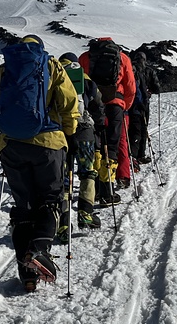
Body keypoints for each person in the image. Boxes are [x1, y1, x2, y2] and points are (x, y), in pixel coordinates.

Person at [0, 35, 78, 292]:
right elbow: (69, 104)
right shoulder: (51, 66)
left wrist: (13, 129)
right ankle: (39, 250)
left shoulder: (6, 69)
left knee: (23, 208)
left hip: (11, 147)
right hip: (49, 143)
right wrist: (67, 133)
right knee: (50, 200)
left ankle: (28, 276)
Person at [78, 38, 135, 207]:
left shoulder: (85, 57)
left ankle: (93, 189)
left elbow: (79, 84)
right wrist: (125, 105)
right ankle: (108, 191)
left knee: (95, 146)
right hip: (115, 105)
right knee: (111, 146)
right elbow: (130, 86)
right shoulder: (122, 57)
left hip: (93, 106)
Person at [57, 52, 105, 241]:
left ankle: (63, 223)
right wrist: (100, 126)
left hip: (62, 133)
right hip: (85, 130)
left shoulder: (55, 75)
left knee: (63, 177)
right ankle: (86, 213)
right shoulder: (85, 78)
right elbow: (98, 104)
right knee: (87, 172)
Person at [127, 50, 160, 165]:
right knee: (142, 128)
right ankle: (139, 155)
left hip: (129, 103)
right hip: (143, 104)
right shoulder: (149, 71)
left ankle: (131, 153)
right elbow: (157, 88)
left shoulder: (131, 69)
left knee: (131, 128)